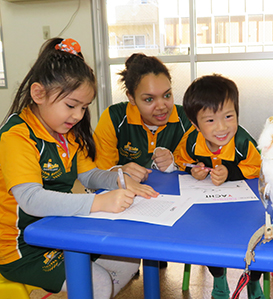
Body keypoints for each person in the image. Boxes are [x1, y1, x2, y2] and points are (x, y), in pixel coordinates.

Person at [0, 38, 158, 299]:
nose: (78, 116)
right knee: (97, 283)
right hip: (21, 248)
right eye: (71, 105)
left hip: (60, 228)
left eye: (84, 108)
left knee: (128, 260)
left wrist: (120, 180)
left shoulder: (67, 132)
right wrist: (98, 204)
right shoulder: (17, 136)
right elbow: (30, 200)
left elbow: (89, 175)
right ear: (38, 94)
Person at [174, 74, 263, 299]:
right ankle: (219, 279)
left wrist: (231, 173)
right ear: (195, 124)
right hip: (209, 209)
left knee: (257, 240)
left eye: (229, 116)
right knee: (208, 240)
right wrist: (191, 168)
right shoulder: (191, 140)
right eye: (210, 120)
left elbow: (258, 167)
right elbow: (180, 158)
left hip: (245, 208)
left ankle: (253, 283)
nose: (222, 127)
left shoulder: (243, 142)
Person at [93, 53, 192, 183]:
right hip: (125, 197)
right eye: (149, 99)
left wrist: (173, 165)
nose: (162, 106)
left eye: (167, 95)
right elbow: (97, 175)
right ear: (131, 98)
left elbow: (193, 168)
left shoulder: (186, 119)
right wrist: (119, 172)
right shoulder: (114, 117)